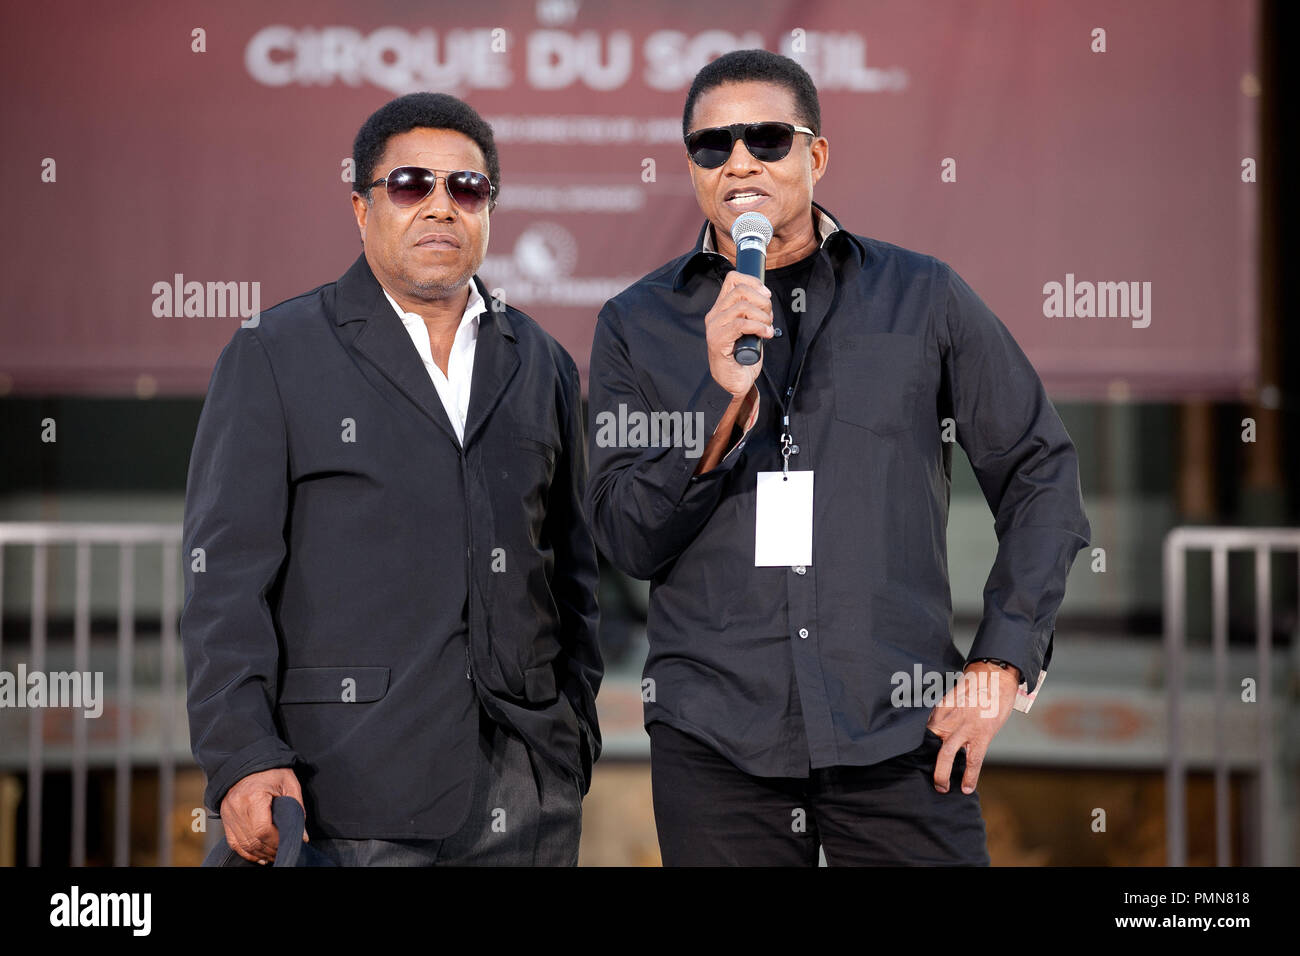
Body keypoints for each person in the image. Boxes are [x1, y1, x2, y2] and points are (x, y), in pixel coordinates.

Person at [586, 50, 1090, 865]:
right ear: (692, 168)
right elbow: (626, 537)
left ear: (815, 155)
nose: (739, 160)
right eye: (712, 145)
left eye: (766, 137)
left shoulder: (922, 295)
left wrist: (1002, 659)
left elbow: (1041, 472)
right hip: (718, 738)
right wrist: (719, 397)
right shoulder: (637, 324)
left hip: (900, 724)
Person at [182, 92, 601, 867]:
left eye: (466, 189)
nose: (441, 207)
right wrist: (241, 755)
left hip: (528, 796)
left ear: (489, 209)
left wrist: (571, 737)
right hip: (342, 791)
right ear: (361, 207)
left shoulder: (540, 360)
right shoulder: (275, 352)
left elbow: (572, 576)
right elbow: (223, 585)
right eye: (411, 185)